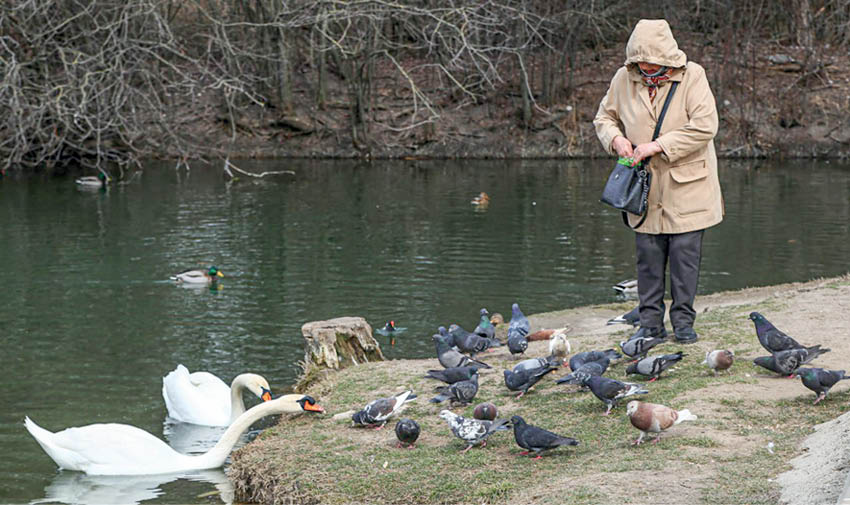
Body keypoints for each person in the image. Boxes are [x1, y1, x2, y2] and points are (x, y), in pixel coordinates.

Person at [593, 19, 723, 344]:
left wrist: (658, 146)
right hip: (643, 189)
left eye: (652, 62)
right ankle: (650, 324)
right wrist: (616, 140)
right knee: (648, 260)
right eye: (640, 62)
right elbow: (604, 117)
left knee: (684, 260)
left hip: (688, 187)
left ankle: (683, 323)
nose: (646, 68)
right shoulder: (623, 78)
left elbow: (705, 125)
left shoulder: (693, 76)